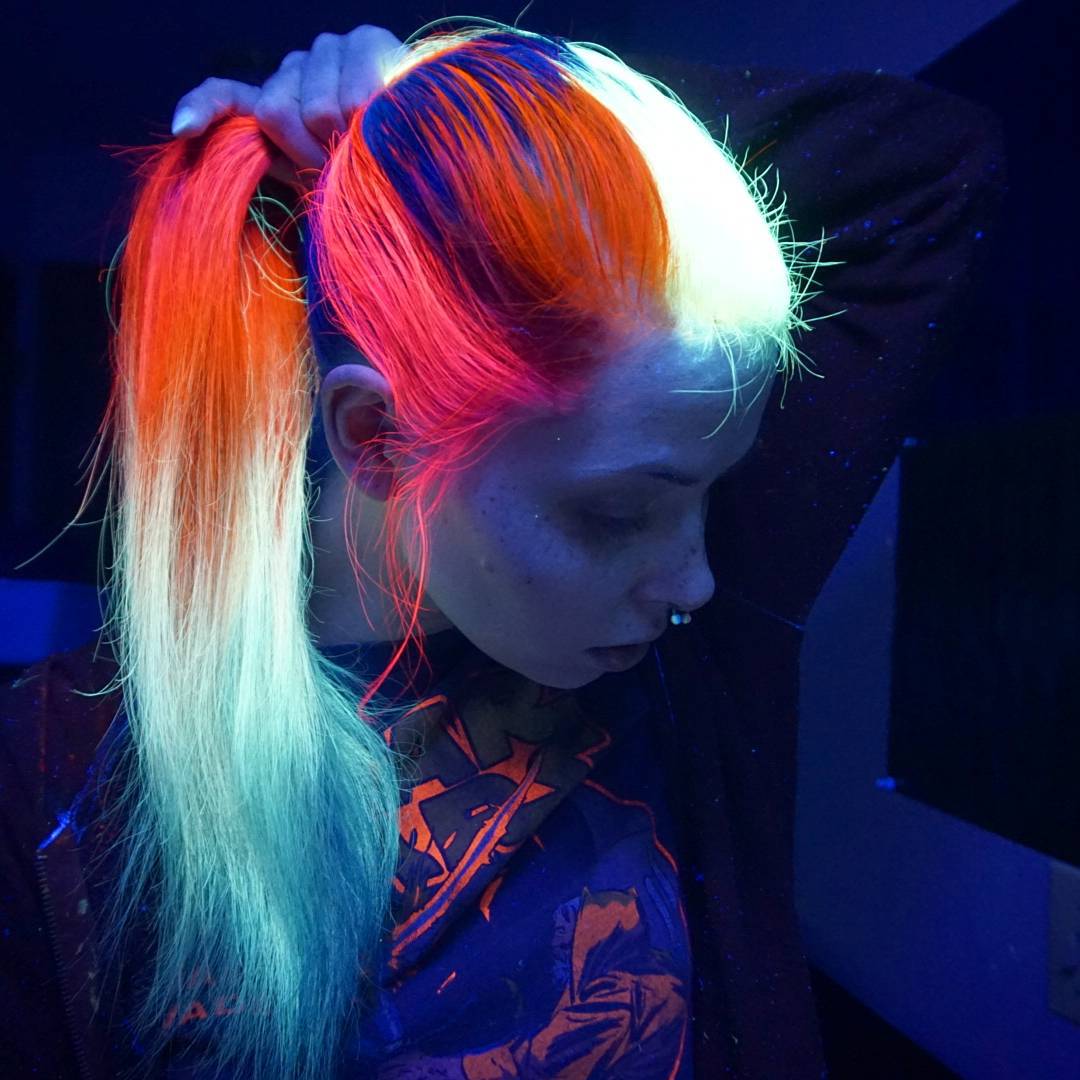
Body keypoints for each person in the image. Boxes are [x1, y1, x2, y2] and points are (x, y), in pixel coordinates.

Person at [0, 18, 1007, 1080]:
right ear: (377, 438)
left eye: (714, 494)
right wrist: (466, 129)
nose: (698, 581)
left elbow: (933, 167)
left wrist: (462, 104)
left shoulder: (684, 655)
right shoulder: (49, 780)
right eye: (616, 513)